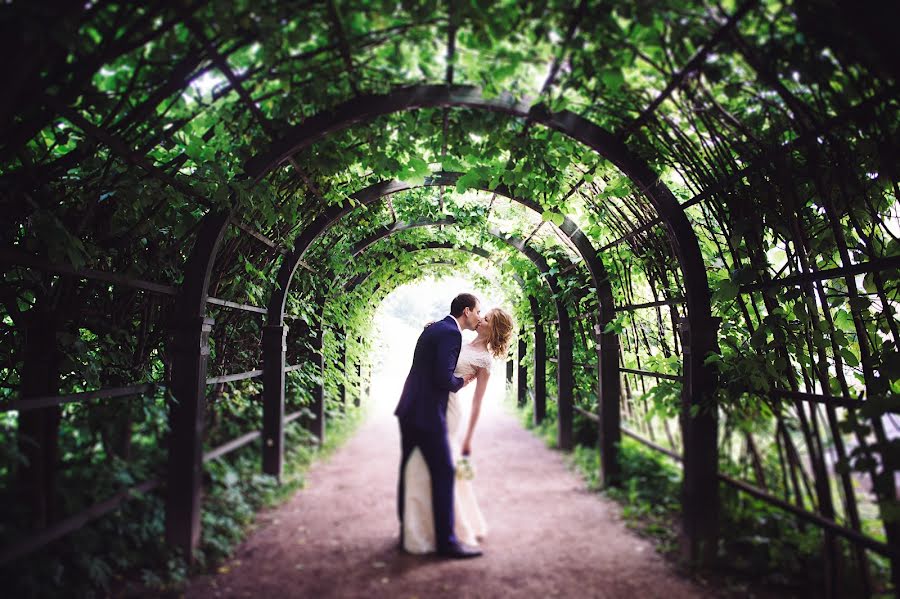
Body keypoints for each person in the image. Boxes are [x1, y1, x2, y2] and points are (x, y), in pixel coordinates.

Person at [397, 299, 515, 555]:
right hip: (432, 407)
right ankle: (418, 530)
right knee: (420, 470)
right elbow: (440, 363)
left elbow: (477, 404)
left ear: (492, 329)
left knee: (441, 471)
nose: (480, 319)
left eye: (486, 318)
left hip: (448, 413)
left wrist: (468, 439)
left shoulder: (484, 361)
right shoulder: (455, 338)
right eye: (481, 314)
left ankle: (445, 534)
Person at [394, 293, 482, 558]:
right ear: (466, 311)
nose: (479, 316)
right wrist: (463, 382)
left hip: (410, 408)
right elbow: (443, 378)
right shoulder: (450, 334)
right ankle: (447, 543)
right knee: (444, 472)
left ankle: (407, 533)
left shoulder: (436, 328)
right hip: (427, 414)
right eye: (478, 311)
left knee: (408, 467)